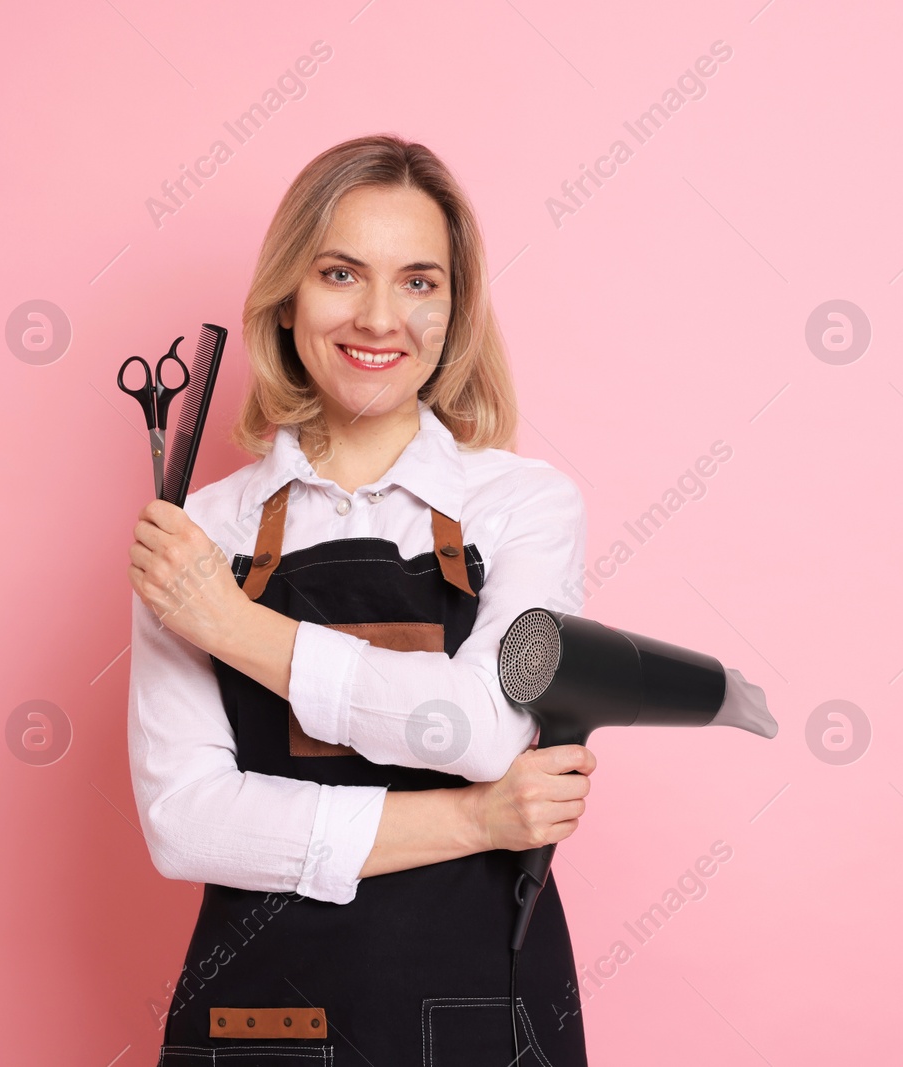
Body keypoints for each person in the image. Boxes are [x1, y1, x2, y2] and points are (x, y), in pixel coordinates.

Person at [126, 133, 594, 1066]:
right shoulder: (199, 530)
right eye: (342, 273)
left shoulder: (524, 505)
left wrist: (231, 624)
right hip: (264, 1027)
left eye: (420, 281)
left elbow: (481, 730)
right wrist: (473, 819)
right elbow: (186, 823)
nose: (381, 317)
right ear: (288, 297)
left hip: (484, 1015)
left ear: (455, 310)